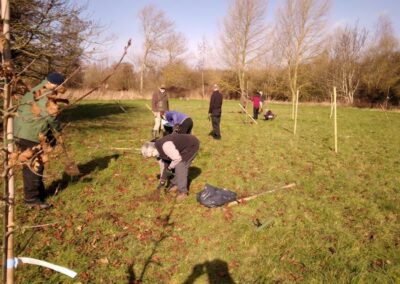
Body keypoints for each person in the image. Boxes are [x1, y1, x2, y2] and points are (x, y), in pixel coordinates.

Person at [14, 72, 66, 209]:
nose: (59, 89)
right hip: (30, 134)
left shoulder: (35, 90)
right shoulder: (45, 95)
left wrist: (51, 138)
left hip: (21, 131)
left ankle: (39, 194)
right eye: (59, 86)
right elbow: (51, 117)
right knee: (33, 166)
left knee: (35, 164)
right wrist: (59, 131)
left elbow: (40, 115)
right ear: (53, 84)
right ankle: (31, 200)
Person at [141, 134, 200, 201]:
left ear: (153, 149)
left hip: (191, 145)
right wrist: (162, 181)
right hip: (178, 151)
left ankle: (183, 192)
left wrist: (169, 168)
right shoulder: (157, 151)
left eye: (151, 155)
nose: (153, 156)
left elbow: (177, 159)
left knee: (180, 166)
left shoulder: (166, 146)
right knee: (173, 165)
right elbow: (163, 167)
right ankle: (176, 184)